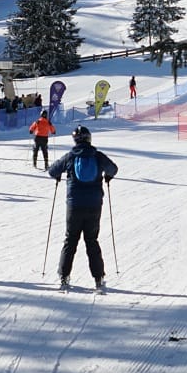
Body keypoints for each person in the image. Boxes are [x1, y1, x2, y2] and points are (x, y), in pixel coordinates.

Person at [48, 124, 119, 291]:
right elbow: (113, 169)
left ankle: (64, 277)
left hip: (74, 205)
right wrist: (107, 176)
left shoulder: (70, 156)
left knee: (70, 240)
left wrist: (59, 174)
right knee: (91, 241)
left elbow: (52, 171)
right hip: (94, 205)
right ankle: (98, 279)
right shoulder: (97, 156)